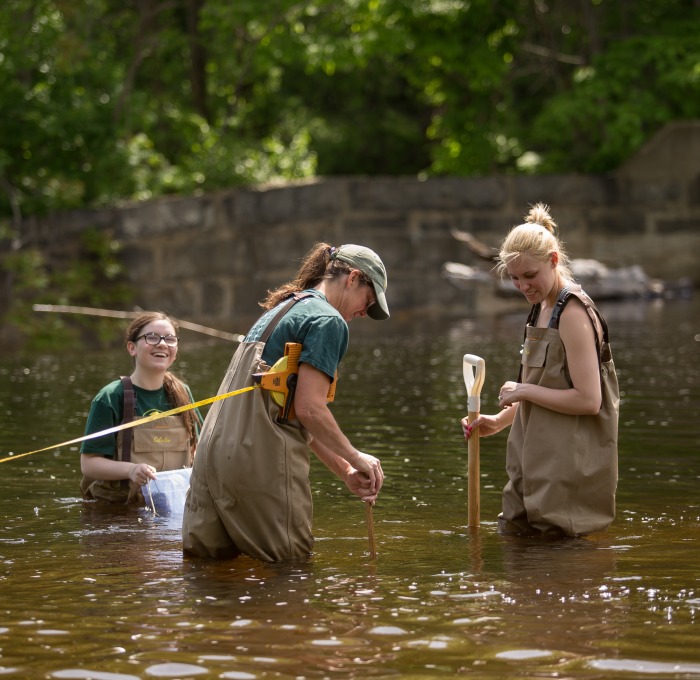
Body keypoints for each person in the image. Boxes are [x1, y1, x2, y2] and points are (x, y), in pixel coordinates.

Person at [182, 242, 389, 562]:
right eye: (369, 300)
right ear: (353, 279)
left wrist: (346, 470)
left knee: (211, 577)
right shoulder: (328, 320)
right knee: (290, 574)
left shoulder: (280, 309)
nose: (364, 312)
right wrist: (355, 455)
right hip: (257, 460)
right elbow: (310, 408)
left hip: (211, 457)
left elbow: (294, 413)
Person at [462, 204, 619, 537]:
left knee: (558, 553)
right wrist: (499, 420)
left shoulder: (573, 312)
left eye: (530, 275)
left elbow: (589, 400)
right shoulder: (540, 308)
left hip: (566, 463)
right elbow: (540, 383)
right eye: (515, 278)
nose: (523, 286)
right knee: (516, 541)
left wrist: (523, 391)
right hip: (531, 454)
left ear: (553, 260)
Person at [80, 311, 202, 504]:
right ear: (132, 348)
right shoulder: (110, 397)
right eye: (152, 337)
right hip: (119, 509)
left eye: (170, 339)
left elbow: (198, 450)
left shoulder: (183, 393)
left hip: (175, 506)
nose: (162, 343)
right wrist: (131, 470)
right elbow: (89, 464)